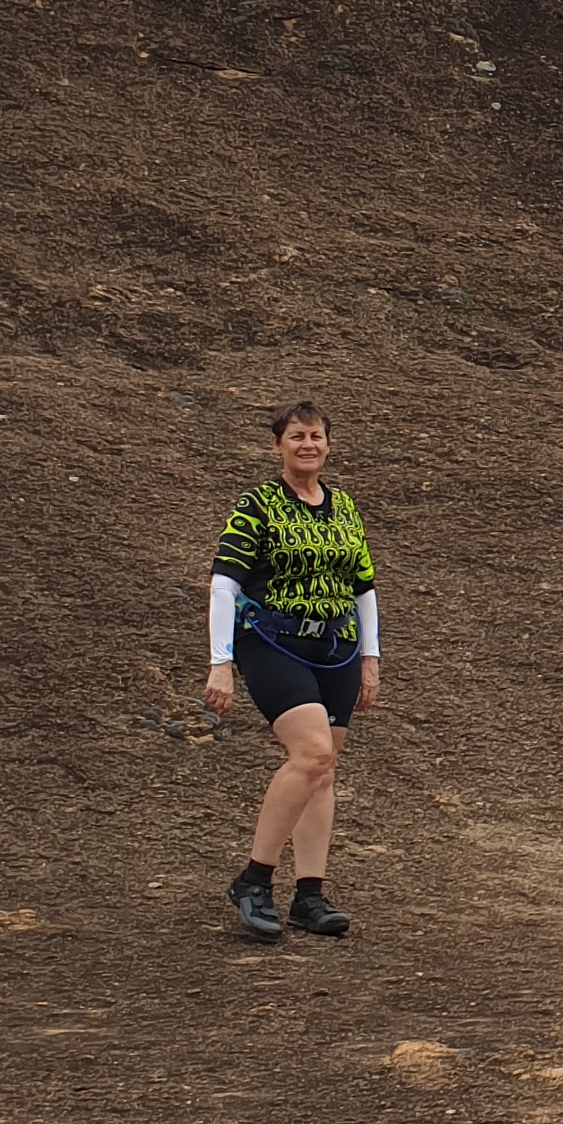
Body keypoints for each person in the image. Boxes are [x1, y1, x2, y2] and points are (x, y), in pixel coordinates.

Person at [204, 401, 380, 939]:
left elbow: (363, 587)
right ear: (277, 445)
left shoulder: (344, 507)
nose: (308, 445)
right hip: (272, 642)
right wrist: (220, 663)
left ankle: (310, 895)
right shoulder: (257, 505)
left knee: (323, 770)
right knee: (312, 754)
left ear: (329, 444)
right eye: (297, 436)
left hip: (337, 648)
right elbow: (224, 584)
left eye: (316, 436)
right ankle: (254, 881)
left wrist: (371, 658)